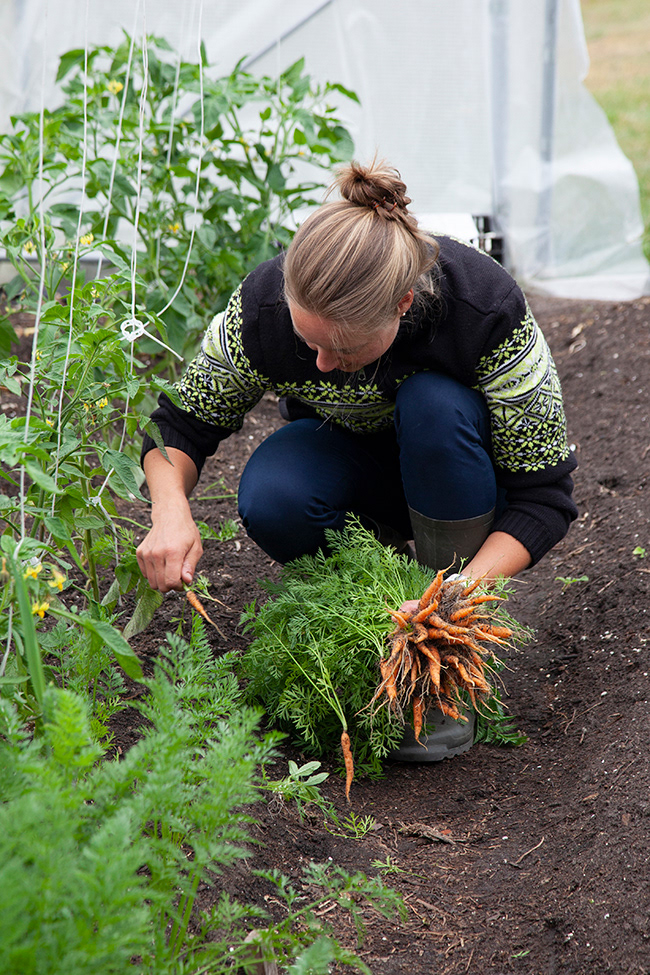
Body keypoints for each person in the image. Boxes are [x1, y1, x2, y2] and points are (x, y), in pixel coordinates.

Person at [137, 159, 577, 759]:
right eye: (309, 342)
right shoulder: (262, 311)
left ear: (402, 304)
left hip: (463, 476)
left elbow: (543, 499)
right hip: (357, 465)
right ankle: (376, 611)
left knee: (433, 406)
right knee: (274, 493)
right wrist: (169, 511)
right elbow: (179, 425)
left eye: (341, 348)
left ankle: (444, 646)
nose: (320, 364)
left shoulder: (484, 309)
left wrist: (457, 596)